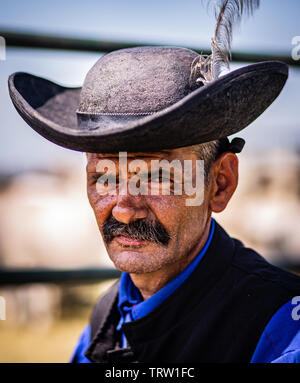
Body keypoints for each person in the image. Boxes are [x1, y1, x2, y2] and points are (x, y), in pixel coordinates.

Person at [8, 0, 300, 363]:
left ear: (219, 184)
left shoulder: (281, 332)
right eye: (104, 177)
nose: (125, 209)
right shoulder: (105, 316)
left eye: (158, 176)